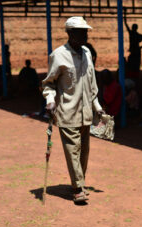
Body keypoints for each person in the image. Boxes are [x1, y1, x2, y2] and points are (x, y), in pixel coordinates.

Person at [42, 16, 105, 203]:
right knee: (72, 151)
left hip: (86, 113)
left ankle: (79, 181)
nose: (85, 35)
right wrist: (50, 100)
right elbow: (48, 84)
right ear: (69, 33)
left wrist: (98, 108)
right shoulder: (58, 55)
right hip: (67, 112)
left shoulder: (86, 53)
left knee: (83, 152)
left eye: (86, 31)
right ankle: (78, 188)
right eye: (80, 32)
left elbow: (92, 85)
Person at [124, 8, 142, 73]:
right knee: (135, 65)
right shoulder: (138, 35)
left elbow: (125, 23)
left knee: (132, 65)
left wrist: (124, 14)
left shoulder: (132, 34)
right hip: (136, 52)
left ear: (134, 28)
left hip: (134, 52)